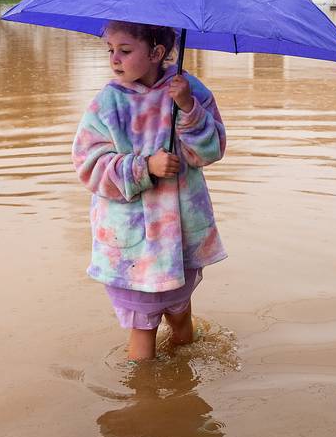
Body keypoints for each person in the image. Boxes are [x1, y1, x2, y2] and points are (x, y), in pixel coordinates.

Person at [73, 21, 227, 361]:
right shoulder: (107, 103)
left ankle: (181, 380)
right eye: (110, 49)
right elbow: (88, 165)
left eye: (125, 51)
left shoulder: (189, 90)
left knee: (180, 311)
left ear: (157, 52)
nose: (115, 58)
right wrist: (144, 167)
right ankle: (145, 402)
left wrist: (188, 109)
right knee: (142, 327)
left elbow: (210, 151)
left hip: (181, 233)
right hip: (134, 244)